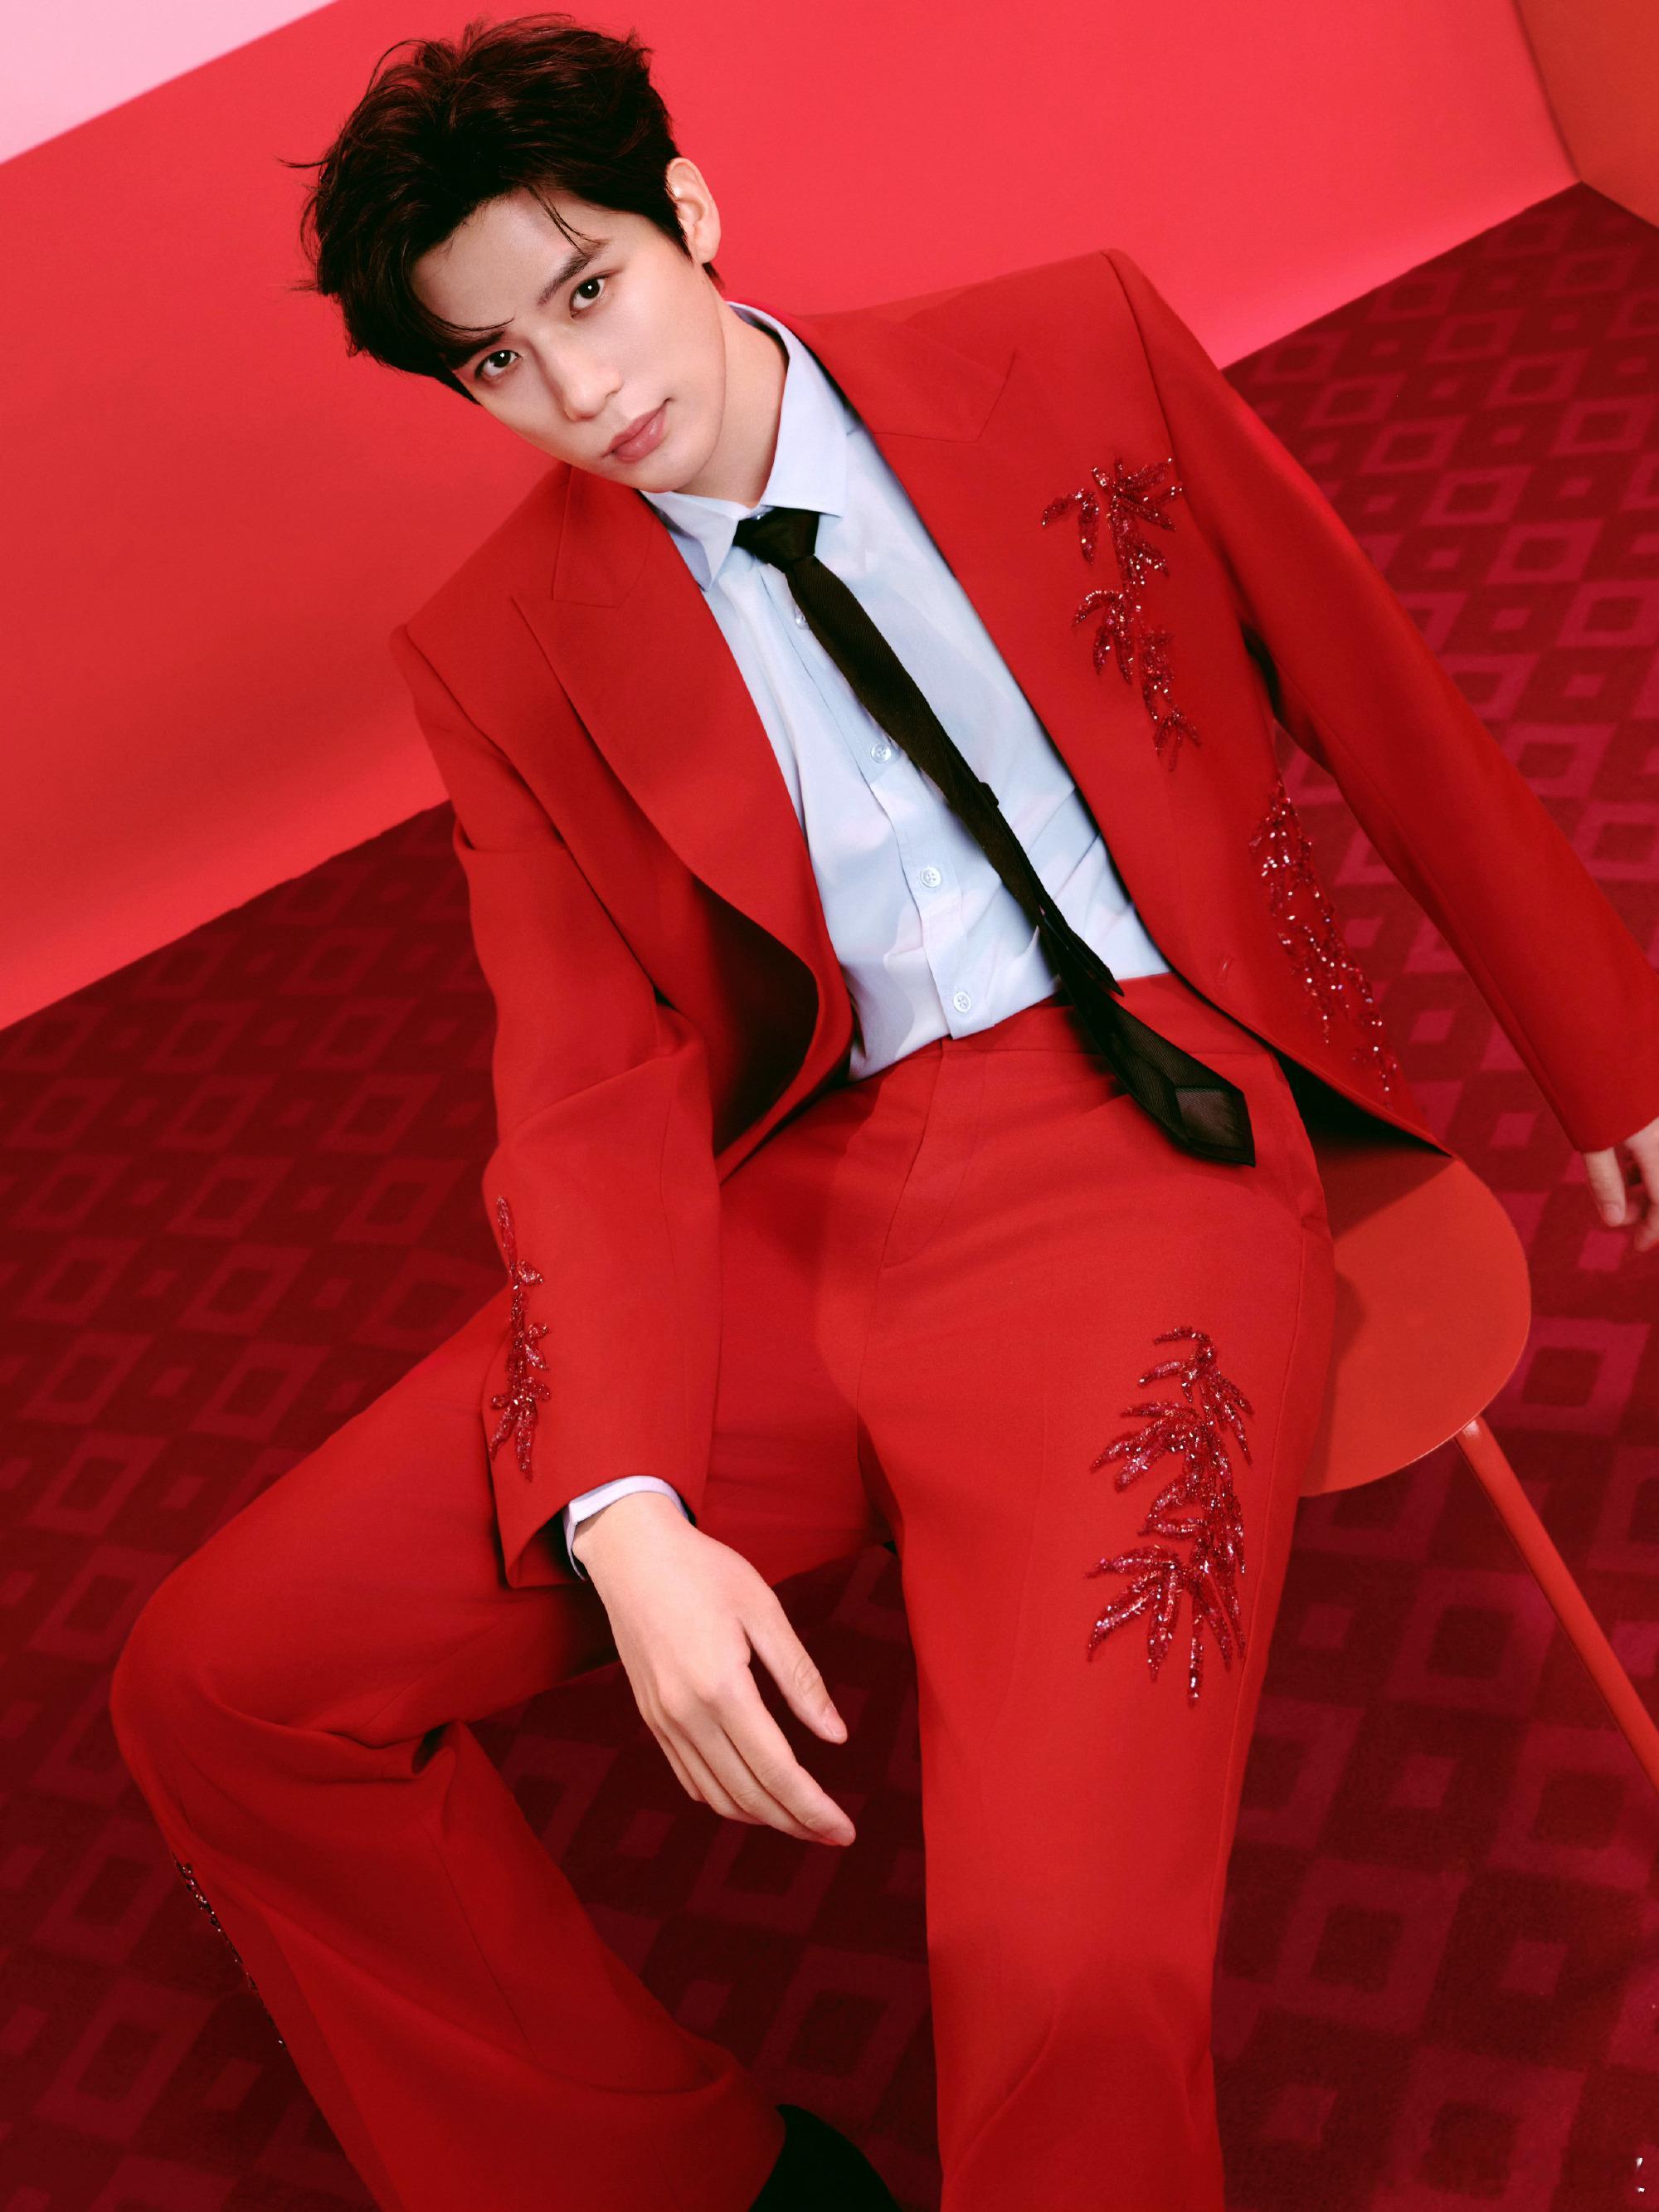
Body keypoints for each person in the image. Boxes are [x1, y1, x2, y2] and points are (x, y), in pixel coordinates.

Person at [108, 13, 1659, 2212]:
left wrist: (1610, 1039)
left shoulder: (1069, 347)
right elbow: (585, 1081)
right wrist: (624, 1501)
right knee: (216, 1678)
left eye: (590, 290)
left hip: (1148, 1139)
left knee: (1061, 1969)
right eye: (500, 364)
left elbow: (1364, 665)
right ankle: (675, 2179)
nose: (582, 392)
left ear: (689, 211)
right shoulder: (501, 640)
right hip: (794, 1196)